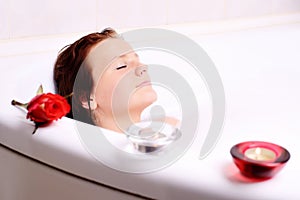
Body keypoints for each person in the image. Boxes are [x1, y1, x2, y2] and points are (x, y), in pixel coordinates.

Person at [54, 28, 172, 133]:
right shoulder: (100, 154)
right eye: (121, 66)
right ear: (86, 98)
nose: (142, 67)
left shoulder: (167, 129)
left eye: (138, 60)